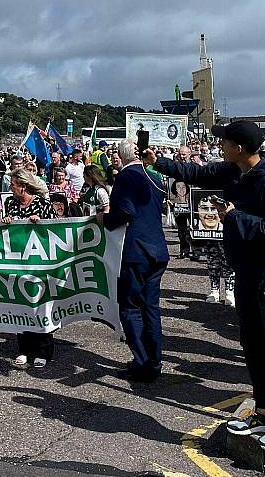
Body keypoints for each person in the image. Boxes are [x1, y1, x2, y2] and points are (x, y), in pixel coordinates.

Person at [149, 120, 265, 452]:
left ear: (239, 147)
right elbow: (195, 173)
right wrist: (157, 162)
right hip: (248, 271)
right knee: (252, 343)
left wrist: (236, 217)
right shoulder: (232, 170)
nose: (219, 145)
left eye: (224, 141)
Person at [102, 140, 169, 383]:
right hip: (157, 248)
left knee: (130, 308)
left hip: (136, 251)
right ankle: (154, 360)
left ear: (120, 156)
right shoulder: (154, 177)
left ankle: (142, 362)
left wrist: (105, 218)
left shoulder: (127, 178)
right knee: (151, 308)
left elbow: (126, 211)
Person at [3, 168, 56, 368]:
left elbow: (56, 229)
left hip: (39, 263)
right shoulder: (10, 203)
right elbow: (8, 231)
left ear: (23, 186)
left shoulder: (42, 203)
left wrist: (40, 223)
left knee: (41, 305)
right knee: (21, 306)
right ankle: (24, 349)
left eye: (13, 186)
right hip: (18, 263)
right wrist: (6, 221)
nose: (11, 189)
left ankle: (43, 351)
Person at [168, 180, 192, 259]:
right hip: (179, 213)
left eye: (183, 187)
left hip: (190, 210)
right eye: (178, 187)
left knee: (193, 231)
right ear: (175, 189)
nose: (181, 189)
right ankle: (184, 251)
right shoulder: (174, 199)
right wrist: (170, 205)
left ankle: (196, 251)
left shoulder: (190, 197)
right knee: (182, 232)